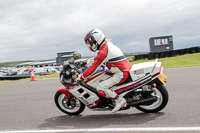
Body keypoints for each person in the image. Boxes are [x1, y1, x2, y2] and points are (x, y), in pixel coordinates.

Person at [76, 29, 132, 113]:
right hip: (124, 68)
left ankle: (119, 100)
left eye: (91, 42)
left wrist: (81, 76)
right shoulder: (107, 44)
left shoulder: (104, 51)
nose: (91, 45)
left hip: (121, 73)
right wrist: (90, 60)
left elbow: (93, 68)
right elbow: (99, 58)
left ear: (97, 39)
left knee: (100, 87)